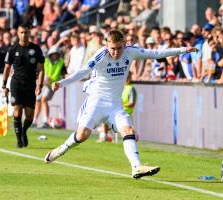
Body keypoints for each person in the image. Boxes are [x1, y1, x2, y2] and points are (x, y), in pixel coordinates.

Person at [44, 29, 197, 179]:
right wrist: (61, 83)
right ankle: (62, 149)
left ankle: (136, 167)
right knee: (82, 135)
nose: (115, 53)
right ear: (106, 45)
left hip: (115, 105)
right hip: (96, 102)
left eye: (119, 48)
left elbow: (156, 53)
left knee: (128, 130)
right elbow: (83, 71)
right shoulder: (101, 55)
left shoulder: (131, 52)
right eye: (112, 49)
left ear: (124, 44)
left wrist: (183, 50)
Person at [2, 23, 45, 148]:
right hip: (16, 83)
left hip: (30, 84)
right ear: (17, 33)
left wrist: (40, 85)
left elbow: (41, 69)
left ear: (29, 32)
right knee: (17, 109)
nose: (24, 35)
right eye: (21, 32)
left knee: (30, 114)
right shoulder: (13, 49)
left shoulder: (36, 49)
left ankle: (24, 131)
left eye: (26, 32)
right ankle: (19, 140)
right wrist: (4, 86)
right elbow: (6, 68)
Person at [32, 45, 65, 128]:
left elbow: (63, 74)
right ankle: (34, 121)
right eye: (53, 54)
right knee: (38, 100)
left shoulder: (61, 62)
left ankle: (45, 121)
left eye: (56, 54)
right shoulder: (46, 61)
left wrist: (56, 82)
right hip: (42, 83)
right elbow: (40, 70)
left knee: (44, 99)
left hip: (52, 85)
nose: (54, 56)